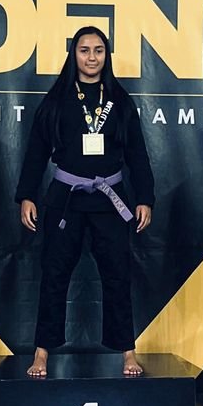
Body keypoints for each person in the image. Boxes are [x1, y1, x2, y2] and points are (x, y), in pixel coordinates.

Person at [16, 25, 154, 378]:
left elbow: (138, 155)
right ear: (73, 55)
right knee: (54, 275)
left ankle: (127, 352)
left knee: (118, 276)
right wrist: (27, 195)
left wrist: (145, 198)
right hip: (66, 199)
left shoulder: (120, 101)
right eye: (84, 50)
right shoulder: (57, 100)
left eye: (98, 50)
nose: (92, 57)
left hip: (111, 199)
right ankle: (42, 352)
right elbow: (36, 152)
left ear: (106, 56)